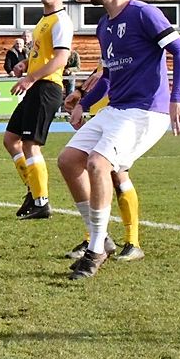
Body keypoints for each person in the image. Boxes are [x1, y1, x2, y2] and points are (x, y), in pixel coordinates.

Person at [58, 0, 180, 280]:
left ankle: (95, 249)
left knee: (99, 164)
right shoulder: (104, 25)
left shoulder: (144, 14)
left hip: (145, 110)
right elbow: (108, 76)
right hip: (117, 109)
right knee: (68, 159)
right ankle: (102, 241)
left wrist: (176, 99)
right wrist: (83, 104)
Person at [3, 0, 73, 221]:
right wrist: (25, 64)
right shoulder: (43, 21)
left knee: (31, 144)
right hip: (36, 86)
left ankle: (41, 202)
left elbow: (61, 59)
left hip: (46, 88)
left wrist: (31, 77)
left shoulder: (61, 21)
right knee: (11, 140)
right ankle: (33, 191)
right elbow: (43, 55)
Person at [63, 67, 144, 262]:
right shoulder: (108, 41)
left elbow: (107, 77)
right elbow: (100, 74)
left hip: (126, 113)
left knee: (118, 173)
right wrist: (81, 94)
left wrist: (83, 101)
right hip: (106, 112)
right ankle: (95, 238)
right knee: (90, 169)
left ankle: (132, 242)